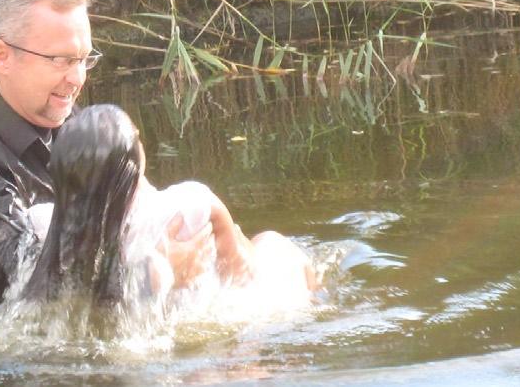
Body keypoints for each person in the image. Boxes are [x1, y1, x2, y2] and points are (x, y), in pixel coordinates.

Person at [0, 0, 213, 307]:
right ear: (2, 55)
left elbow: (137, 213)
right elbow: (32, 296)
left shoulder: (66, 119)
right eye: (60, 60)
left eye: (84, 60)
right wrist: (159, 272)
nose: (76, 79)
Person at [21, 104, 317, 308]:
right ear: (136, 160)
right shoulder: (188, 205)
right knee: (271, 241)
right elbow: (243, 273)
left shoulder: (41, 223)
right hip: (223, 313)